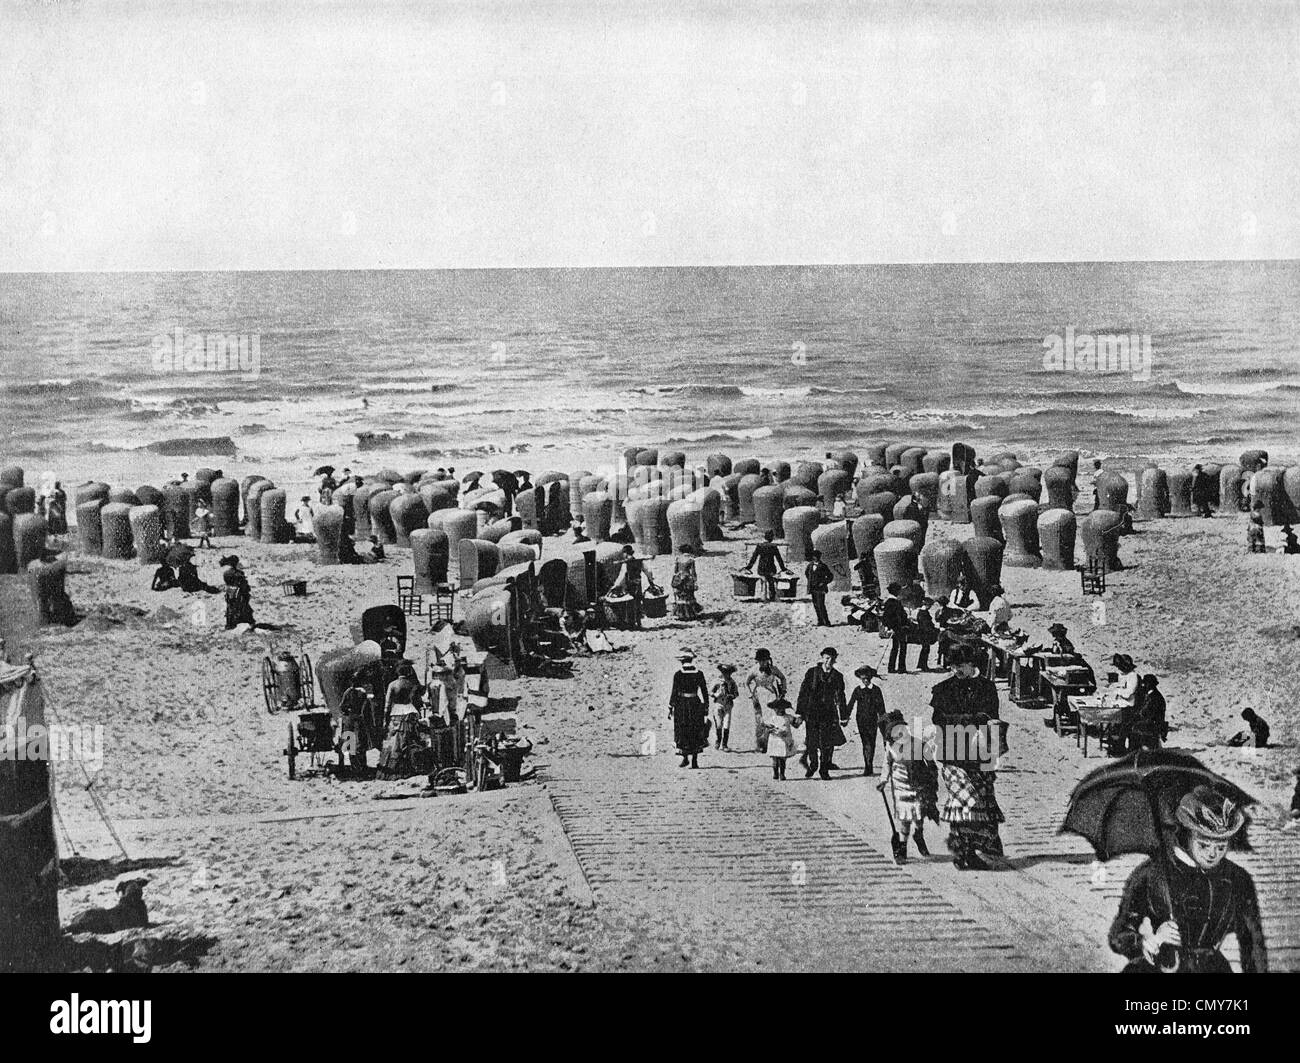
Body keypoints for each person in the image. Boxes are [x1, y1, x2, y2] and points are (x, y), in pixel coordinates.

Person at [1108, 785, 1266, 973]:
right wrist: (1147, 942)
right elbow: (1119, 934)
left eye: (1221, 846)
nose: (1212, 854)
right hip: (1162, 967)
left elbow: (1252, 943)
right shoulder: (1151, 874)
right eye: (1204, 845)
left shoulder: (1238, 879)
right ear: (1188, 836)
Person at [930, 645, 1004, 870]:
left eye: (960, 666)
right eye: (953, 666)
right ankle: (961, 853)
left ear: (973, 665)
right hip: (953, 754)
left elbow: (993, 718)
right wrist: (972, 719)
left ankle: (970, 852)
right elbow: (938, 719)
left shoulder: (987, 688)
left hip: (979, 754)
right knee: (963, 802)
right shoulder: (942, 689)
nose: (956, 670)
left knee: (980, 804)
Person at [879, 710, 939, 863]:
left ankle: (919, 834)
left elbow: (930, 762)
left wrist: (931, 778)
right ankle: (903, 846)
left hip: (917, 785)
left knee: (919, 814)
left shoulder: (917, 744)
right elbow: (887, 764)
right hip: (900, 786)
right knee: (905, 818)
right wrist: (883, 780)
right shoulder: (890, 747)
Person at [794, 646, 847, 780]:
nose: (829, 661)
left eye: (832, 658)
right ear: (822, 658)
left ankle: (824, 770)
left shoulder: (837, 676)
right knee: (811, 741)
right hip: (811, 712)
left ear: (835, 660)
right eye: (827, 658)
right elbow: (803, 692)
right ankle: (813, 765)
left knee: (826, 743)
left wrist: (844, 716)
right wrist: (800, 712)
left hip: (828, 713)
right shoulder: (812, 673)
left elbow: (841, 696)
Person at [668, 648, 709, 768]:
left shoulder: (678, 674)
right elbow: (704, 691)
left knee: (683, 730)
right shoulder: (699, 673)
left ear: (682, 661)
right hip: (695, 703)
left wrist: (670, 706)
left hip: (682, 705)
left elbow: (674, 692)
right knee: (696, 730)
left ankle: (685, 757)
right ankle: (695, 760)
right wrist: (706, 705)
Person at [846, 664, 886, 776]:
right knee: (865, 742)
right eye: (863, 679)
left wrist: (883, 721)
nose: (865, 681)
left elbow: (881, 707)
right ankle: (868, 766)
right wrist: (845, 717)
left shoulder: (876, 690)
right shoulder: (858, 690)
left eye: (867, 678)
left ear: (871, 677)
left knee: (871, 742)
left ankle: (869, 765)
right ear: (860, 678)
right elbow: (850, 704)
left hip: (873, 720)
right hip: (861, 720)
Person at [746, 648, 787, 754]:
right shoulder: (754, 670)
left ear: (768, 660)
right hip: (759, 694)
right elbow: (746, 682)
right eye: (760, 661)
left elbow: (783, 678)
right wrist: (750, 693)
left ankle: (771, 743)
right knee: (760, 719)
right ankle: (761, 744)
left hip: (771, 695)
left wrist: (783, 690)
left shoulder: (773, 669)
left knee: (772, 718)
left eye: (764, 660)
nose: (762, 663)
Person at [610, 544, 660, 629]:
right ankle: (639, 622)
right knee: (637, 602)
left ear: (625, 553)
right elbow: (648, 571)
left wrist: (615, 585)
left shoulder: (626, 563)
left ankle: (631, 623)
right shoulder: (639, 561)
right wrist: (651, 580)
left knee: (629, 603)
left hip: (629, 584)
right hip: (638, 583)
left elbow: (622, 575)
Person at [339, 680, 377, 775]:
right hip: (359, 721)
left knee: (350, 745)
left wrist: (347, 712)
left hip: (349, 720)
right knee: (360, 744)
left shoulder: (348, 692)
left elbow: (342, 707)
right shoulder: (363, 692)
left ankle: (354, 768)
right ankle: (362, 767)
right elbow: (367, 709)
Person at [743, 530, 789, 602]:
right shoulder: (773, 546)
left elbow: (754, 558)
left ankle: (763, 597)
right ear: (771, 538)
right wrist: (783, 568)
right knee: (771, 582)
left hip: (761, 568)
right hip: (771, 568)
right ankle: (772, 596)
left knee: (763, 581)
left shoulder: (759, 546)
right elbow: (779, 559)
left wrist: (748, 567)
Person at [1126, 674, 1167, 751]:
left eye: (1144, 684)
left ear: (1149, 684)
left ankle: (1133, 751)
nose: (1143, 686)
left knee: (1131, 726)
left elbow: (1148, 713)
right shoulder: (1153, 694)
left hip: (1154, 724)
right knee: (1130, 723)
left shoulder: (1154, 697)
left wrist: (1137, 716)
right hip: (1152, 722)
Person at [220, 555, 255, 629]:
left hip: (230, 592)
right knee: (242, 608)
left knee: (230, 608)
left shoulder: (226, 573)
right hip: (239, 593)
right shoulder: (239, 574)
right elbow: (243, 585)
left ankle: (230, 624)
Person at [882, 582, 909, 674]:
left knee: (895, 648)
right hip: (898, 628)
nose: (900, 592)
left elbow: (885, 617)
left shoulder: (890, 601)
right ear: (896, 591)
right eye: (899, 590)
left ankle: (891, 668)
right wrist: (891, 627)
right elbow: (890, 617)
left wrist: (888, 627)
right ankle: (901, 668)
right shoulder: (893, 602)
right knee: (902, 647)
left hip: (896, 628)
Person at [710, 663, 738, 750]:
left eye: (728, 673)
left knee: (726, 725)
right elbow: (710, 692)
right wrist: (715, 695)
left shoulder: (732, 682)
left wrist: (732, 696)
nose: (726, 675)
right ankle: (718, 740)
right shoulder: (717, 681)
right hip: (718, 704)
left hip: (728, 705)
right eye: (725, 672)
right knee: (718, 725)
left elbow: (736, 693)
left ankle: (725, 744)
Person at [766, 698, 796, 780]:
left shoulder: (787, 717)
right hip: (775, 740)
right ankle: (775, 773)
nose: (779, 710)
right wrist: (773, 730)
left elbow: (795, 723)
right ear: (774, 709)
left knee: (783, 759)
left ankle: (782, 774)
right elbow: (768, 728)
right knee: (775, 759)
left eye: (782, 708)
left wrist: (800, 719)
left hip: (784, 741)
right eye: (777, 708)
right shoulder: (773, 718)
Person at [804, 549, 834, 626]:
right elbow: (807, 573)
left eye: (817, 556)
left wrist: (824, 582)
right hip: (812, 588)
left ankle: (826, 621)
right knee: (816, 605)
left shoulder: (823, 566)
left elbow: (830, 576)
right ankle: (820, 621)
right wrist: (811, 581)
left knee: (821, 605)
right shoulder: (810, 565)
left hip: (821, 589)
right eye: (815, 556)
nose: (816, 558)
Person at [670, 556, 703, 620]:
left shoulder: (678, 559)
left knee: (680, 596)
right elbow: (693, 572)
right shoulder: (691, 560)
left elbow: (675, 571)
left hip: (679, 578)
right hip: (687, 579)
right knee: (688, 595)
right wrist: (695, 581)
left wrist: (675, 580)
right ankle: (689, 614)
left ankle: (680, 614)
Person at [912, 601, 939, 671]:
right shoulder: (924, 613)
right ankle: (923, 666)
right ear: (927, 605)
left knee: (925, 648)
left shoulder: (921, 612)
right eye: (930, 605)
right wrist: (933, 629)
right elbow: (926, 624)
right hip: (925, 633)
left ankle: (921, 664)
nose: (930, 607)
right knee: (926, 649)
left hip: (923, 632)